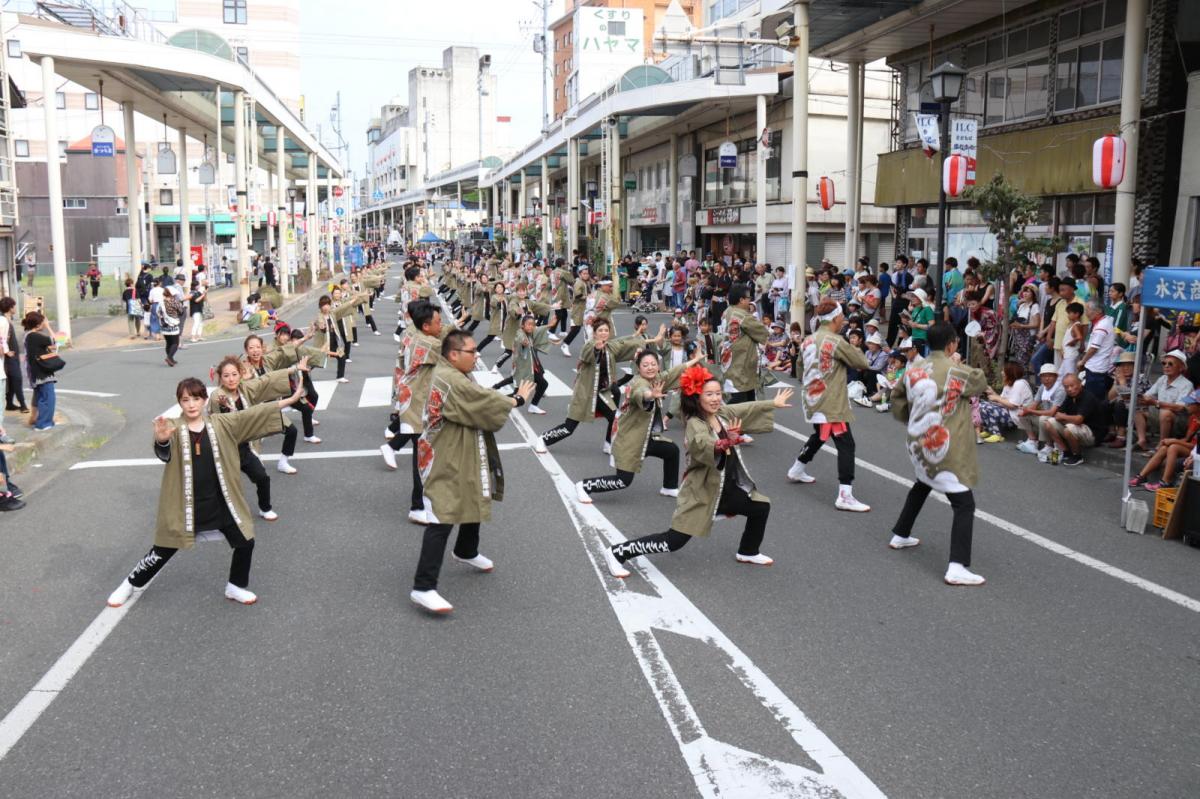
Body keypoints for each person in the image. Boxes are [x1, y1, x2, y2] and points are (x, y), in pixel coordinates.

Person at [105, 376, 306, 609]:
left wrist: (290, 399)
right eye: (185, 399)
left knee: (245, 542)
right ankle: (130, 583)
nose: (191, 404)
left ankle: (236, 586)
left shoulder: (221, 423)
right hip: (186, 503)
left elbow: (253, 415)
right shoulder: (173, 426)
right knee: (163, 549)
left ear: (204, 400)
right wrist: (161, 440)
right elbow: (164, 452)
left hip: (220, 500)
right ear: (179, 402)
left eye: (196, 399)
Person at [601, 366, 793, 578]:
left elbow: (744, 408)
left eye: (718, 393)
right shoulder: (695, 423)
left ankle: (748, 551)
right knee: (673, 541)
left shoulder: (721, 414)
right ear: (696, 397)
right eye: (709, 394)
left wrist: (772, 403)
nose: (715, 398)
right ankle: (618, 552)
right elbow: (702, 445)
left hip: (724, 488)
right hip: (701, 491)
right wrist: (725, 441)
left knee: (760, 506)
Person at [409, 330, 534, 614]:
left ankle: (466, 549)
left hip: (457, 444)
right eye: (471, 351)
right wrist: (517, 399)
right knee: (442, 515)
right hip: (445, 453)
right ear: (454, 354)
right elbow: (480, 400)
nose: (476, 355)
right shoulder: (451, 379)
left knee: (475, 489)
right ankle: (423, 586)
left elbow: (476, 397)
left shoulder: (451, 372)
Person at [887, 321, 989, 586]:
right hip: (943, 443)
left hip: (916, 439)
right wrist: (960, 361)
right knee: (963, 503)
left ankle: (901, 533)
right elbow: (979, 382)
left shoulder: (913, 369)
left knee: (923, 483)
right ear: (952, 343)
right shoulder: (956, 370)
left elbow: (897, 399)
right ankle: (957, 566)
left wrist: (910, 417)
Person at [575, 348, 700, 503]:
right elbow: (640, 393)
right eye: (645, 365)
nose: (650, 368)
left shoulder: (657, 379)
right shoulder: (637, 383)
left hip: (646, 438)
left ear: (658, 365)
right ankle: (585, 486)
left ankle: (669, 487)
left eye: (653, 364)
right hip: (629, 440)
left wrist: (694, 360)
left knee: (672, 451)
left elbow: (673, 372)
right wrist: (650, 395)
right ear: (638, 368)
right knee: (623, 481)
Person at [786, 299, 871, 512]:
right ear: (836, 318)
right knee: (846, 444)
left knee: (820, 435)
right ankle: (845, 493)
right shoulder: (836, 341)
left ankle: (797, 468)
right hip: (830, 403)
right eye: (841, 316)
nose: (843, 319)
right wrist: (855, 347)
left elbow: (799, 367)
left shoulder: (808, 340)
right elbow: (862, 363)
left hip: (812, 398)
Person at [382, 300, 452, 525]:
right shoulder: (427, 342)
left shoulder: (413, 334)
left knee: (422, 452)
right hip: (416, 401)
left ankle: (422, 502)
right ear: (425, 325)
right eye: (438, 322)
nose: (441, 325)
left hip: (413, 398)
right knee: (422, 455)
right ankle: (418, 505)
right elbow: (451, 349)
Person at [534, 318, 648, 454]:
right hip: (585, 394)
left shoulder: (609, 346)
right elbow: (587, 355)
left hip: (601, 394)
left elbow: (623, 345)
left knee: (615, 418)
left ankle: (608, 444)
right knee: (569, 427)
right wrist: (595, 349)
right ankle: (543, 439)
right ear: (594, 333)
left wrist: (641, 346)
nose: (604, 333)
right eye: (600, 330)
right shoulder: (590, 345)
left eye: (606, 330)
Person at [1129, 390, 1200, 491]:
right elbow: (1187, 439)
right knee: (1164, 448)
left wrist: (1174, 441)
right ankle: (1141, 476)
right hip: (1191, 449)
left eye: (1190, 403)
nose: (1187, 405)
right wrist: (1171, 440)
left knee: (1173, 447)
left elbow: (1196, 447)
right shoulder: (1194, 418)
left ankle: (1165, 482)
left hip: (1197, 453)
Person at [1134, 349, 1194, 451]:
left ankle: (1162, 444)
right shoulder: (1162, 379)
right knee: (1137, 408)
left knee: (1165, 413)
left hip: (1180, 421)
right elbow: (1148, 395)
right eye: (1164, 363)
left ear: (1181, 368)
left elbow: (1181, 407)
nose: (1166, 366)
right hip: (1162, 415)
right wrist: (1139, 398)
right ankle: (1142, 440)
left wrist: (1156, 402)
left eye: (1170, 364)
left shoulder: (1187, 384)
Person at [719, 284, 769, 404]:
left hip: (728, 354)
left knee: (743, 392)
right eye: (748, 298)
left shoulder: (727, 311)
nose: (749, 300)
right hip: (742, 359)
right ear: (741, 300)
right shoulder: (743, 315)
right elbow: (762, 332)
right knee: (740, 395)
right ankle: (723, 419)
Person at [1042, 373, 1106, 466]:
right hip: (1078, 428)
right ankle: (1065, 451)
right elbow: (1057, 414)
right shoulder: (1070, 397)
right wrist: (1065, 417)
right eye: (1066, 387)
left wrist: (1064, 417)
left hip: (1092, 433)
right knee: (1049, 423)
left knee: (1069, 429)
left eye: (1072, 386)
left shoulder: (1088, 397)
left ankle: (1077, 456)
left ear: (1080, 384)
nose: (1070, 389)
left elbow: (1078, 420)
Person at [1015, 363, 1066, 456]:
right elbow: (1034, 405)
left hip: (1058, 420)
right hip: (1046, 417)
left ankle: (1049, 445)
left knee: (1043, 419)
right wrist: (1025, 410)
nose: (1047, 378)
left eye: (1050, 375)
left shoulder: (1060, 390)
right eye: (1044, 376)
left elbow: (1051, 413)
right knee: (1022, 413)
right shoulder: (1042, 387)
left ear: (1056, 377)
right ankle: (1032, 441)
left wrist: (1030, 410)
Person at [977, 362, 1033, 442]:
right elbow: (1002, 400)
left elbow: (1013, 405)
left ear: (1010, 372)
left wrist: (996, 398)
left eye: (1004, 370)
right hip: (1009, 412)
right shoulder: (1009, 383)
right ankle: (989, 430)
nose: (1002, 372)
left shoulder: (1019, 384)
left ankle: (996, 434)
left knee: (987, 407)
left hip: (1017, 416)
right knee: (981, 405)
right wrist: (992, 393)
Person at [23, 312, 60, 431]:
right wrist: (49, 326)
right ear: (38, 324)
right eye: (43, 322)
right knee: (48, 397)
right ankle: (43, 423)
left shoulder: (29, 336)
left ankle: (42, 421)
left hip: (36, 372)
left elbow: (47, 346)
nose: (45, 324)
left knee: (41, 397)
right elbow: (56, 340)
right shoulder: (34, 336)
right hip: (42, 373)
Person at [1078, 300, 1116, 399]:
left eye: (1088, 309)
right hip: (1097, 366)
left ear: (1098, 311)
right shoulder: (1103, 322)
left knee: (1093, 397)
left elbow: (1094, 348)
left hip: (1096, 368)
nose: (1086, 313)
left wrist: (1082, 361)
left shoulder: (1102, 325)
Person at [0, 298, 27, 412]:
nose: (15, 308)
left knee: (11, 379)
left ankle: (10, 403)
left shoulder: (6, 318)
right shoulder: (3, 320)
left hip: (12, 353)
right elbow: (2, 338)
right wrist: (6, 351)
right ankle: (23, 405)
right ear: (10, 307)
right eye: (14, 306)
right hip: (9, 355)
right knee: (16, 377)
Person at [159, 274, 187, 366]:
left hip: (164, 325)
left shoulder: (161, 302)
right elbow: (181, 311)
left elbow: (157, 312)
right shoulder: (174, 301)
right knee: (175, 342)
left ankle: (171, 358)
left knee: (168, 343)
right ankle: (169, 357)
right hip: (173, 323)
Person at [187, 278, 207, 343]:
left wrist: (205, 294)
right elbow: (196, 300)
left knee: (201, 322)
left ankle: (199, 336)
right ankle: (193, 337)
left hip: (200, 309)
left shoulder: (198, 292)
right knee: (196, 322)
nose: (198, 286)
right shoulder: (192, 293)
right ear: (194, 286)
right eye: (197, 285)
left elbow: (204, 299)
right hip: (195, 310)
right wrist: (203, 295)